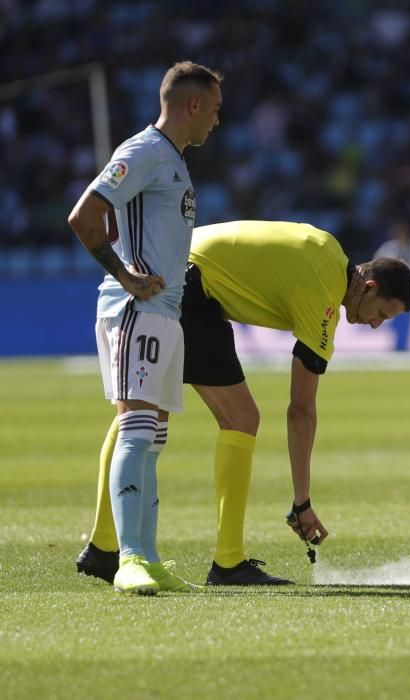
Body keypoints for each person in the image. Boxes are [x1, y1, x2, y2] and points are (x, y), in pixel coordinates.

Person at [76, 220, 410, 586]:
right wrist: (301, 502)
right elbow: (301, 410)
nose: (377, 325)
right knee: (238, 418)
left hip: (174, 273)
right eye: (382, 314)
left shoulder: (330, 254)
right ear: (367, 287)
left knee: (142, 412)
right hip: (191, 289)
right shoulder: (323, 295)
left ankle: (103, 547)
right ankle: (227, 563)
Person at [68, 61, 223, 594]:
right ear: (193, 104)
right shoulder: (142, 152)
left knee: (152, 436)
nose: (218, 122)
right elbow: (84, 216)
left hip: (165, 312)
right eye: (216, 110)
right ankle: (128, 559)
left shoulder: (173, 162)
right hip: (136, 310)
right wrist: (124, 275)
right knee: (137, 430)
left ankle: (148, 556)